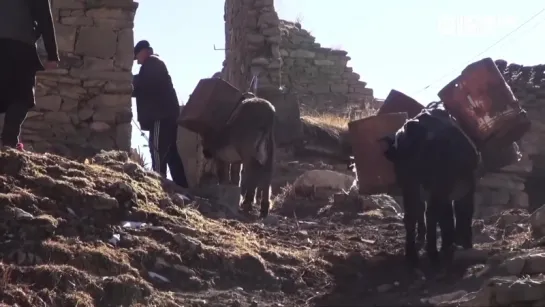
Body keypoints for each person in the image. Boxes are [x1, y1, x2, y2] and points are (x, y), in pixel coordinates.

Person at [0, 0, 60, 149]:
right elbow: (44, 18)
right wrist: (52, 55)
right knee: (22, 96)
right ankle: (8, 142)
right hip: (20, 45)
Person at [132, 40, 189, 188]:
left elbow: (142, 83)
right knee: (170, 152)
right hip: (167, 115)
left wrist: (127, 80)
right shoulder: (154, 65)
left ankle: (157, 181)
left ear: (143, 52)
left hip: (161, 116)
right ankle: (182, 186)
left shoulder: (152, 64)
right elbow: (142, 87)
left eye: (137, 57)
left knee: (157, 148)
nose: (137, 62)